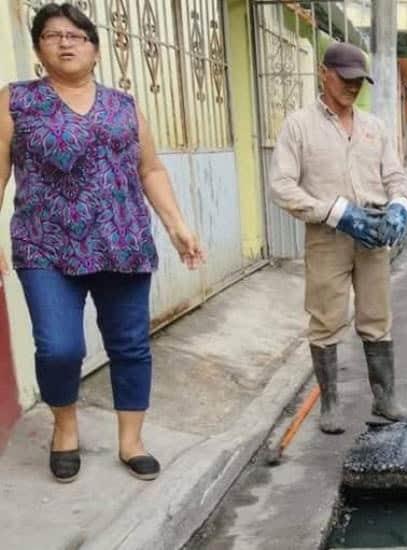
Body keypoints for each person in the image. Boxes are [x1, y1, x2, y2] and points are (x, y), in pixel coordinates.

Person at [0, 3, 204, 482]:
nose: (65, 42)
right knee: (58, 348)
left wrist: (177, 226)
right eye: (53, 35)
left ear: (94, 49)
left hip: (122, 241)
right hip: (45, 245)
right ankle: (65, 428)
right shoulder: (14, 102)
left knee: (130, 345)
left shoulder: (124, 106)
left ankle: (131, 441)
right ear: (38, 48)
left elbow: (149, 168)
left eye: (76, 35)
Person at [269, 42, 407, 434]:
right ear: (324, 73)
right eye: (346, 78)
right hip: (328, 235)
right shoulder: (299, 126)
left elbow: (395, 177)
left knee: (377, 317)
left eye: (358, 81)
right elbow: (281, 186)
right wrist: (335, 212)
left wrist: (400, 206)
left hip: (373, 233)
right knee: (326, 318)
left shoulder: (374, 128)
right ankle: (330, 404)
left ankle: (385, 399)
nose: (352, 87)